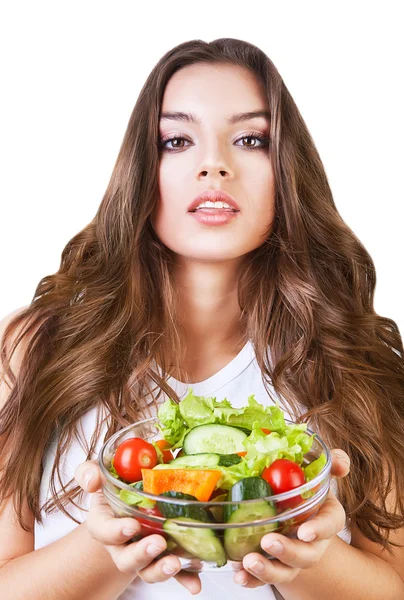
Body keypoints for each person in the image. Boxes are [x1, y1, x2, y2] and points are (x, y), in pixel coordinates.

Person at [0, 37, 403, 600]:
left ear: (286, 170)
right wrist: (118, 537)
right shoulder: (34, 346)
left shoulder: (356, 363)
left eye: (249, 139)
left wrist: (301, 550)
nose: (215, 164)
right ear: (144, 168)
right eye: (178, 140)